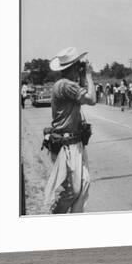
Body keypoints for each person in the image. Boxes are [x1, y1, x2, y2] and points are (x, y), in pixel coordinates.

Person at [43, 47, 96, 214]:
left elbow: (81, 93)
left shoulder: (66, 85)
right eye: (77, 65)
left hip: (75, 142)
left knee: (84, 184)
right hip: (66, 146)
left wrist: (81, 75)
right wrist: (88, 74)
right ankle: (56, 218)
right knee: (71, 191)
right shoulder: (65, 85)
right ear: (71, 67)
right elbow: (92, 99)